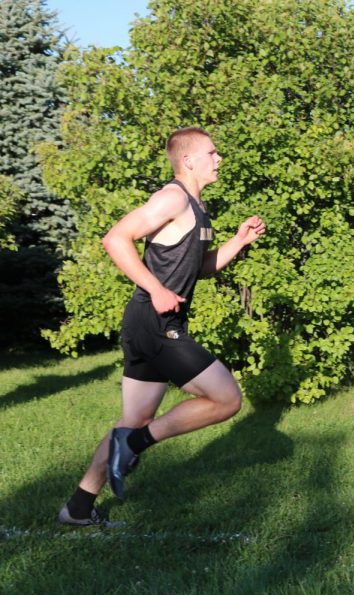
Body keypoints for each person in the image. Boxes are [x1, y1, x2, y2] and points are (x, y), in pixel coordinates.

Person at [58, 127, 265, 526]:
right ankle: (132, 445)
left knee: (132, 419)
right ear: (188, 160)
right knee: (226, 400)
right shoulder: (172, 197)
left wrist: (238, 242)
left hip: (149, 321)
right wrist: (154, 288)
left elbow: (199, 269)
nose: (219, 158)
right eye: (212, 152)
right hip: (155, 322)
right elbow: (116, 238)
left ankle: (78, 507)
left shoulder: (198, 207)